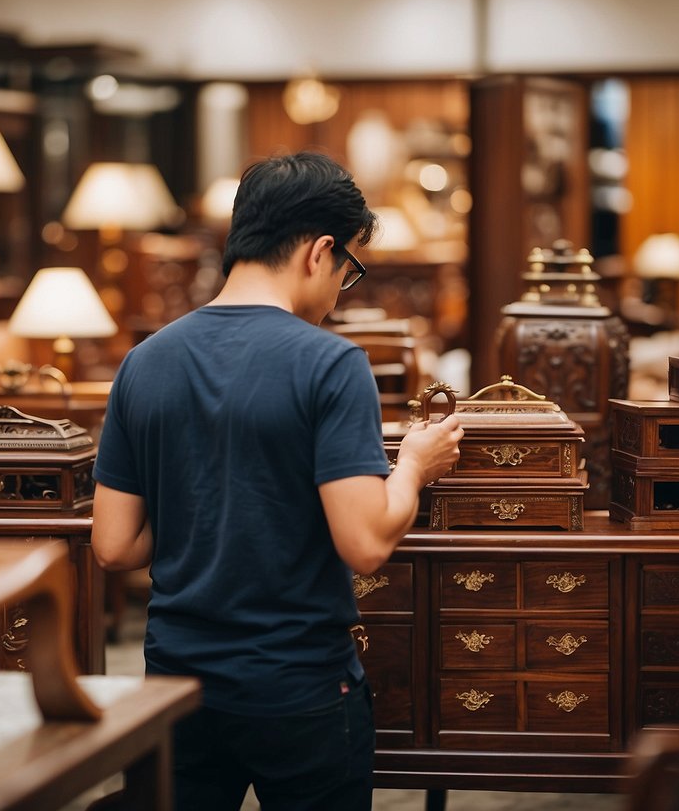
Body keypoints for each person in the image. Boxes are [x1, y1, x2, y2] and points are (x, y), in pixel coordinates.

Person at [91, 150, 463, 810]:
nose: (340, 291)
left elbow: (115, 547)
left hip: (174, 682)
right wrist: (412, 464)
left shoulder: (143, 363)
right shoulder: (329, 364)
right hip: (296, 687)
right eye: (350, 271)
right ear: (320, 252)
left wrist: (201, 511)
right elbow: (366, 545)